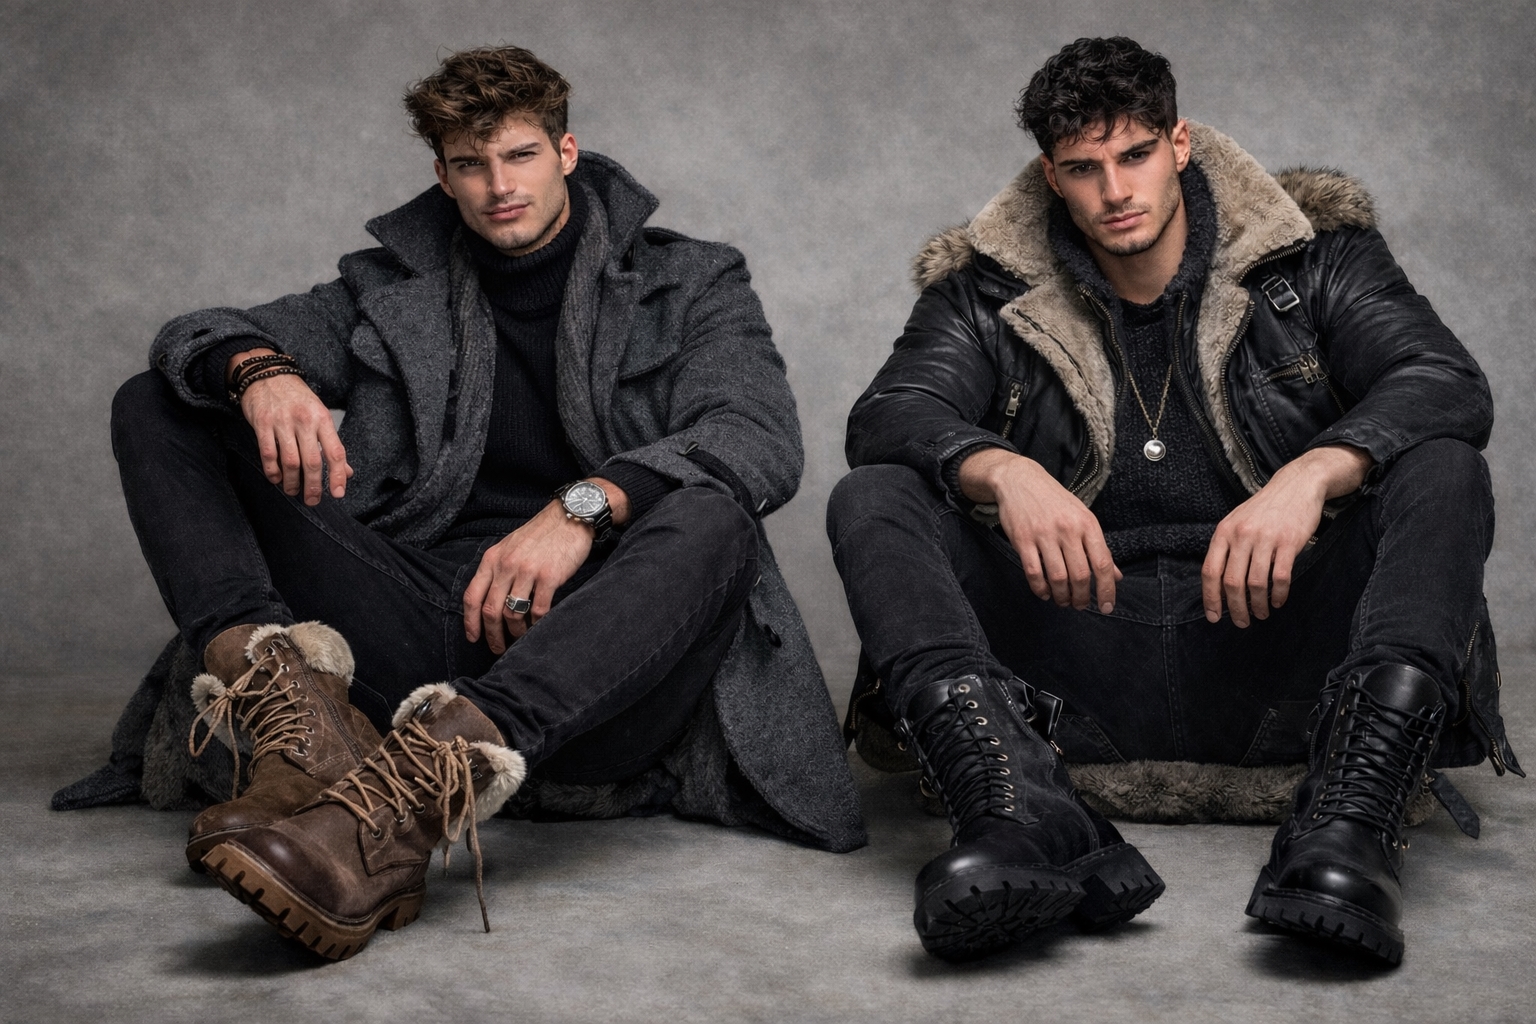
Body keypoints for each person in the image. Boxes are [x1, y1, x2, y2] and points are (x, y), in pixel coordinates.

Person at [111, 45, 863, 961]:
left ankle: (407, 805)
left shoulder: (690, 281)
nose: (497, 185)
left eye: (519, 156)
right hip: (411, 612)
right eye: (470, 164)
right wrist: (260, 370)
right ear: (442, 174)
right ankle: (301, 726)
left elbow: (759, 437)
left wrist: (580, 509)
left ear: (567, 152)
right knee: (163, 397)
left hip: (594, 660)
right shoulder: (389, 290)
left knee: (715, 513)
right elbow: (194, 333)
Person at [827, 36, 1519, 964]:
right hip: (1074, 659)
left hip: (1273, 648)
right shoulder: (984, 295)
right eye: (1083, 168)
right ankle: (1012, 810)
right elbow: (890, 414)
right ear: (1052, 176)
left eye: (1135, 155)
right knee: (876, 491)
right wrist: (1005, 469)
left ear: (1179, 144)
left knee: (1442, 464)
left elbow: (1442, 380)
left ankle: (1350, 823)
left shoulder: (1312, 260)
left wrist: (1313, 473)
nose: (1115, 190)